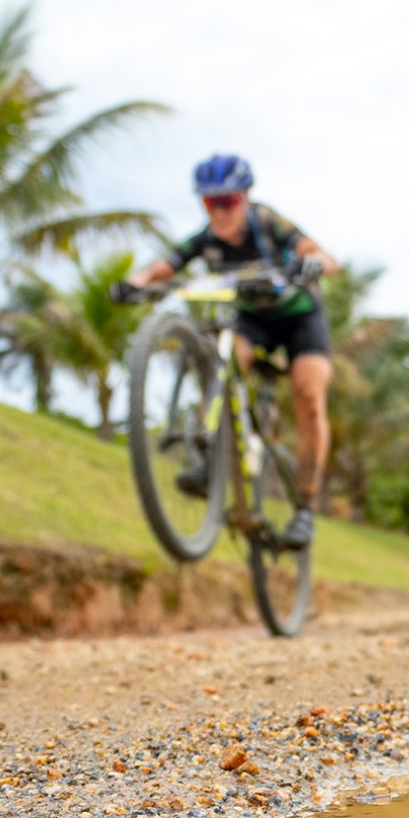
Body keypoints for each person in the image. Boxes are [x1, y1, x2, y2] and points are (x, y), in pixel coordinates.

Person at [128, 154, 339, 550]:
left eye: (227, 202)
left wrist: (313, 262)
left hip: (299, 317)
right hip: (253, 320)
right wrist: (134, 282)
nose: (220, 212)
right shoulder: (206, 240)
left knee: (309, 394)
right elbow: (166, 265)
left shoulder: (267, 222)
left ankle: (305, 509)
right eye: (211, 203)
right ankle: (213, 462)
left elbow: (319, 254)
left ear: (244, 198)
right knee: (223, 359)